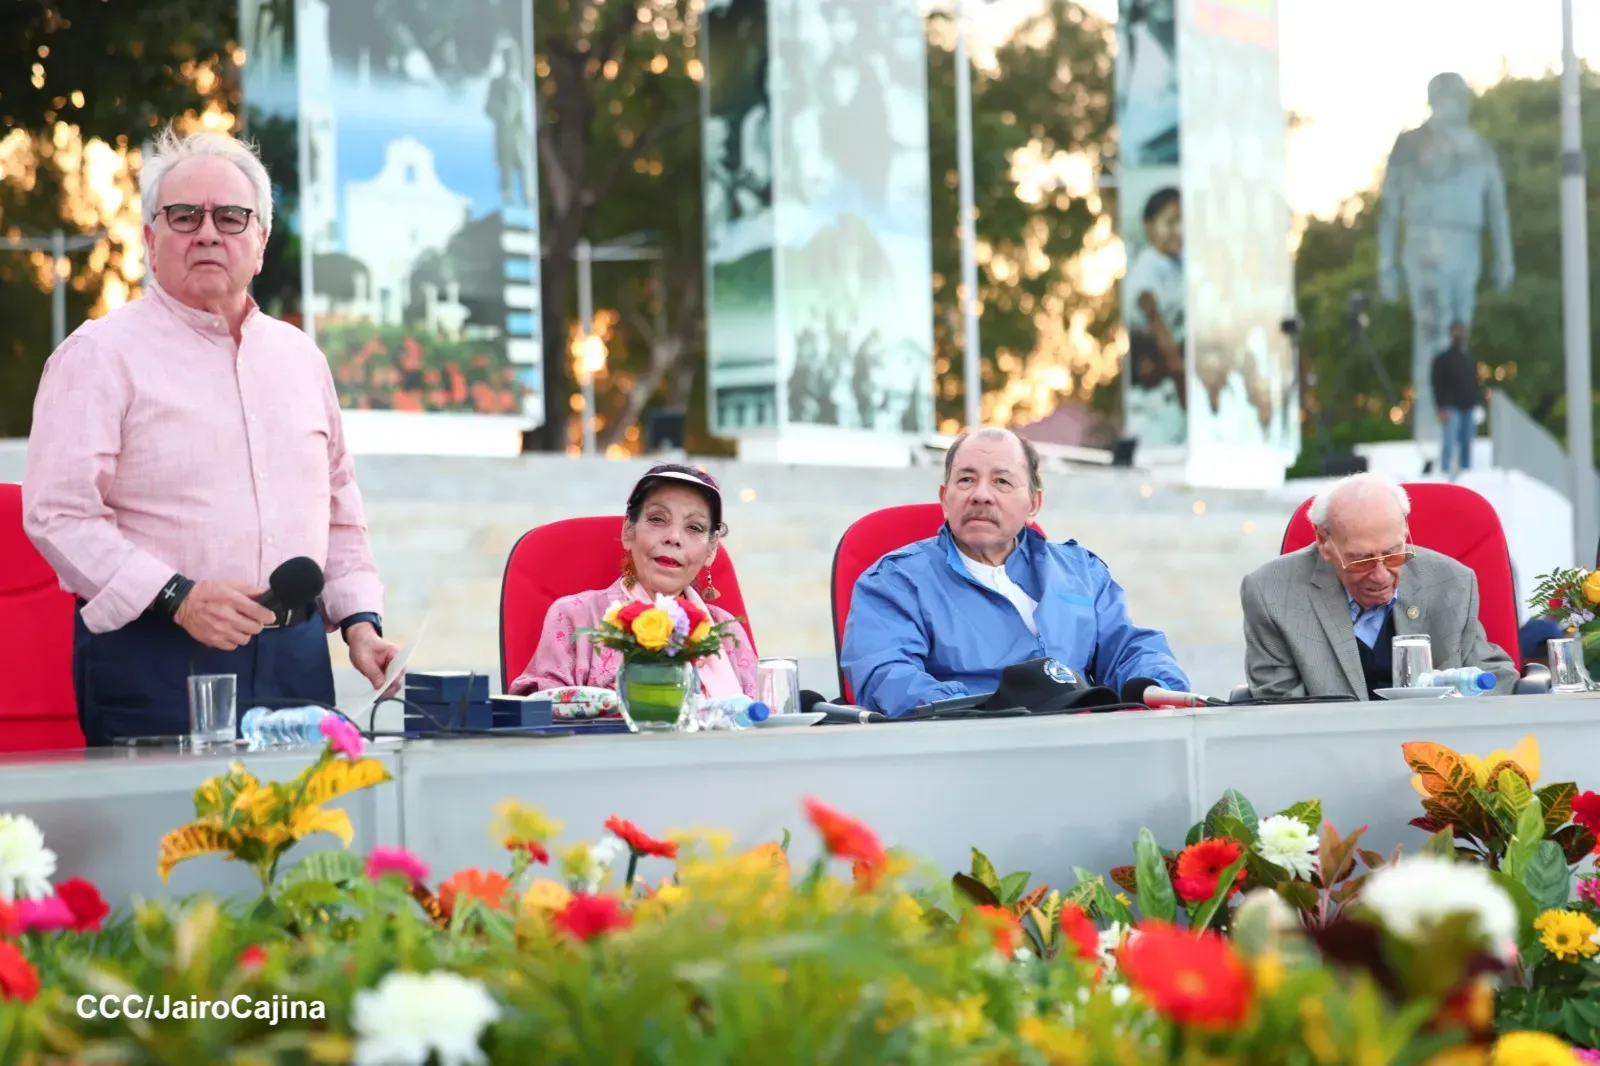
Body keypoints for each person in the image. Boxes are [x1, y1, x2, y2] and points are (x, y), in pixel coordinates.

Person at [23, 126, 399, 746]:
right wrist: (178, 597)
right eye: (183, 215)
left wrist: (361, 622)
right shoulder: (97, 356)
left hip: (296, 661)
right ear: (149, 237)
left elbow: (339, 511)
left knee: (303, 839)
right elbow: (57, 513)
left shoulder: (301, 358)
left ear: (261, 239)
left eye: (230, 216)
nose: (206, 232)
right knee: (166, 843)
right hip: (157, 656)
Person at [840, 427, 1190, 717]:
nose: (981, 495)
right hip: (966, 757)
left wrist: (1160, 687)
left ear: (1033, 504)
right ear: (945, 499)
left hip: (1082, 748)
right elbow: (888, 678)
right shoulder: (894, 583)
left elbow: (1130, 648)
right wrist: (990, 712)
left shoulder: (1081, 571)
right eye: (966, 480)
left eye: (1002, 482)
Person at [1239, 473, 1515, 701]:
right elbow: (1278, 710)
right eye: (1362, 560)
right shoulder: (1270, 595)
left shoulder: (1452, 582)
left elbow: (1496, 677)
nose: (1381, 576)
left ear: (1406, 531)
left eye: (1394, 554)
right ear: (1324, 541)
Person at [510, 464, 759, 698]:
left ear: (711, 549)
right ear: (628, 531)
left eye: (694, 527)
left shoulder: (726, 631)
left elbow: (762, 721)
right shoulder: (575, 617)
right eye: (657, 519)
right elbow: (536, 710)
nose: (673, 537)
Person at [1431, 322, 1482, 477]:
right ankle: (1445, 474)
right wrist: (1441, 407)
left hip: (1468, 406)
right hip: (1451, 407)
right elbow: (1436, 384)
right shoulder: (1442, 359)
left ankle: (1466, 473)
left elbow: (1475, 381)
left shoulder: (1469, 358)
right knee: (1449, 442)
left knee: (1467, 442)